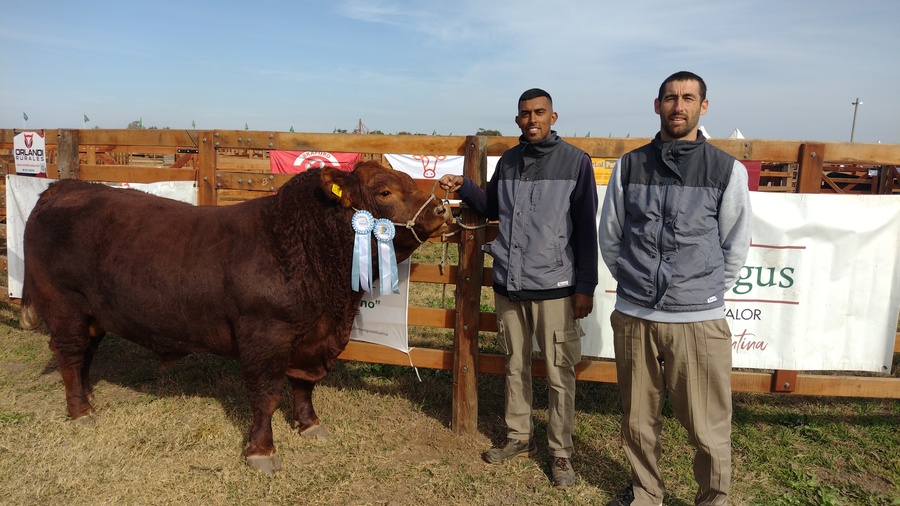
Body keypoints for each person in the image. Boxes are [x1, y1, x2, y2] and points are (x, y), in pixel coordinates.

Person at [599, 71, 752, 506]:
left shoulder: (726, 169)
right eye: (670, 98)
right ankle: (646, 493)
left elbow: (735, 245)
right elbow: (611, 236)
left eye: (688, 98)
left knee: (706, 424)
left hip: (698, 322)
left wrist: (702, 293)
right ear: (657, 105)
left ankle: (713, 498)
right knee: (638, 418)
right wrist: (634, 281)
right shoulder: (630, 165)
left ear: (704, 106)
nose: (678, 106)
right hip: (635, 317)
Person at [439, 88, 598, 488]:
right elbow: (493, 205)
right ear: (517, 120)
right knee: (514, 365)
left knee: (560, 373)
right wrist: (464, 187)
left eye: (539, 113)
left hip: (556, 288)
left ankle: (560, 453)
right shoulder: (508, 160)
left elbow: (585, 229)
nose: (532, 120)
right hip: (509, 282)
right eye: (525, 114)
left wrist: (585, 286)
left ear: (553, 116)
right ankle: (518, 437)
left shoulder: (576, 162)